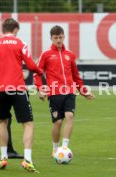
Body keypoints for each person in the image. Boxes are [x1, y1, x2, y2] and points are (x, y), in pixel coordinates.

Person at [0, 18, 43, 172]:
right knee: (28, 123)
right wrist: (40, 71)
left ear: (3, 30)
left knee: (2, 121)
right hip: (17, 87)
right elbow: (30, 65)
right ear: (15, 30)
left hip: (1, 89)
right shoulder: (20, 43)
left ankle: (3, 157)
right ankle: (27, 160)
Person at [33, 25, 94, 157]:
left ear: (64, 36)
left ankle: (64, 148)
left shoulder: (70, 55)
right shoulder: (46, 54)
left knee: (70, 116)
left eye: (60, 37)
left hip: (70, 91)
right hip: (54, 93)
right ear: (51, 38)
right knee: (58, 122)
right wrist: (41, 89)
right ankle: (55, 148)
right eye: (56, 38)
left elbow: (76, 76)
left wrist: (84, 91)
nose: (59, 40)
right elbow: (37, 73)